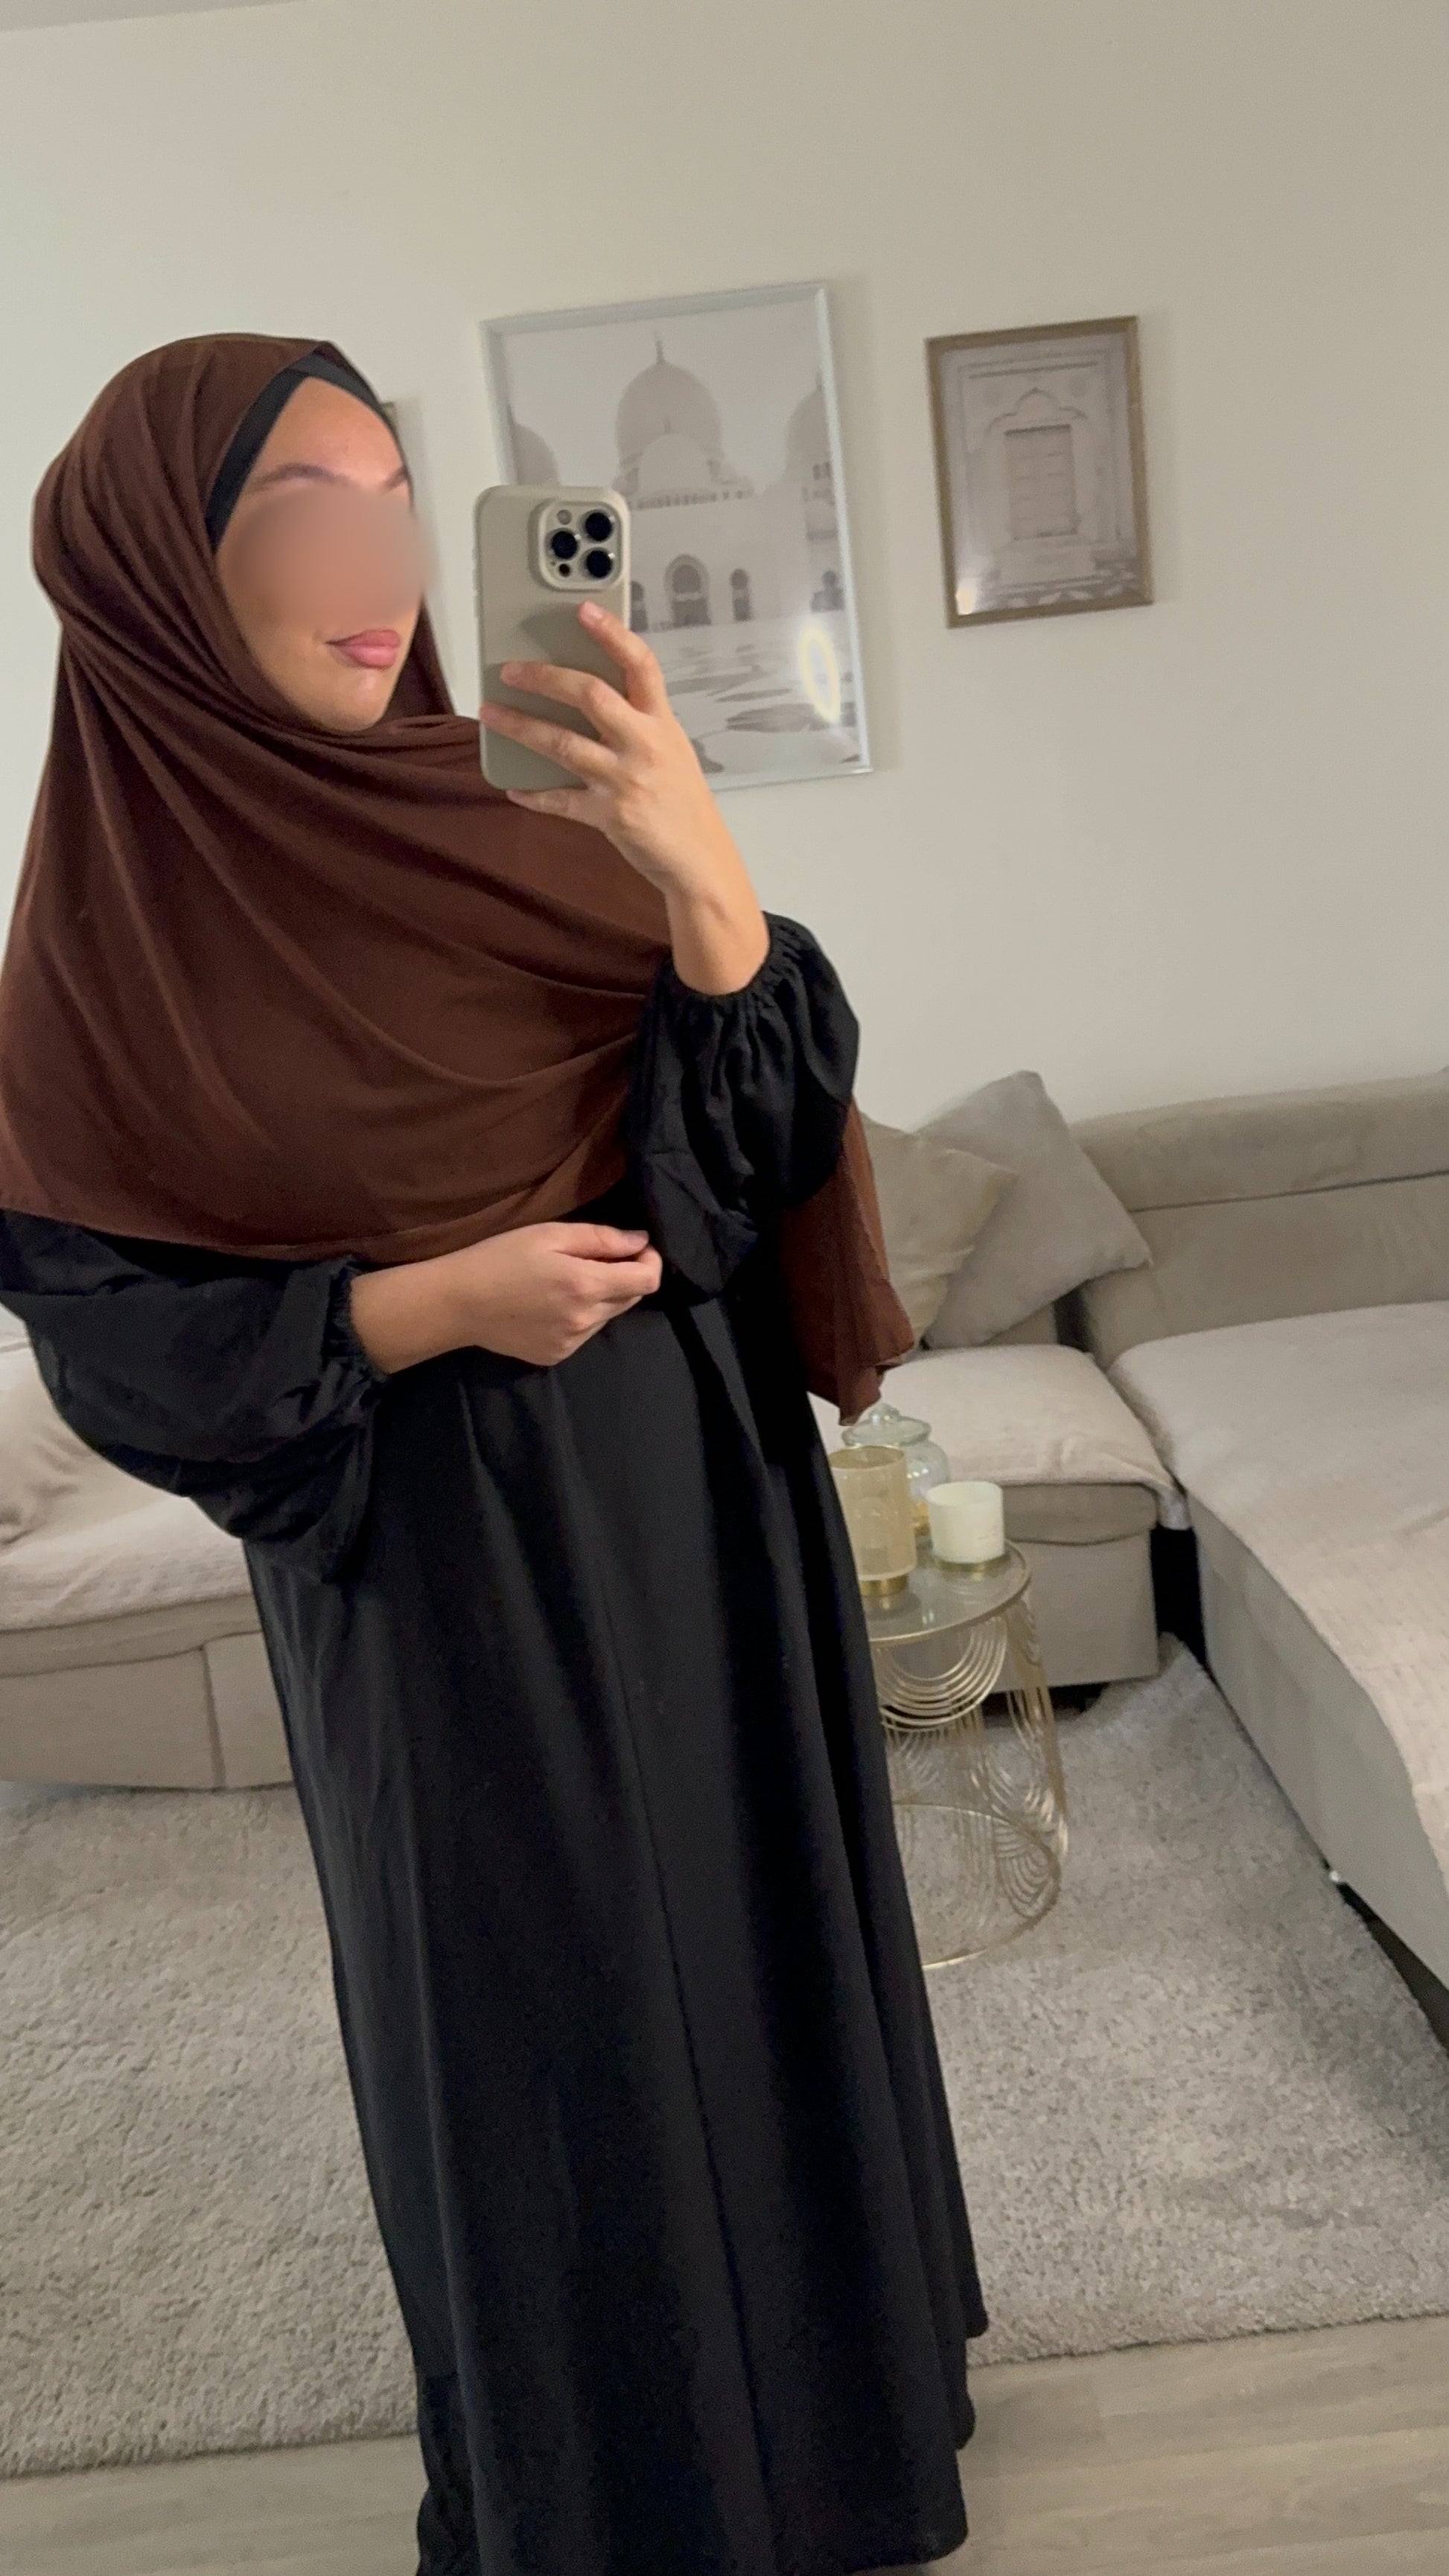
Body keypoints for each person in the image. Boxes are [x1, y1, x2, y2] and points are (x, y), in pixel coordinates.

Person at [0, 334, 988, 2576]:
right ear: (153, 571)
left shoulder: (522, 811)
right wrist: (427, 1305)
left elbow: (749, 1160)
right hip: (428, 1567)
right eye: (300, 516)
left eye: (392, 504)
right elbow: (112, 1339)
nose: (377, 575)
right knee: (543, 2036)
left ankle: (841, 2453)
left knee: (753, 1948)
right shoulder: (112, 947)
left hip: (697, 1499)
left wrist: (699, 867)